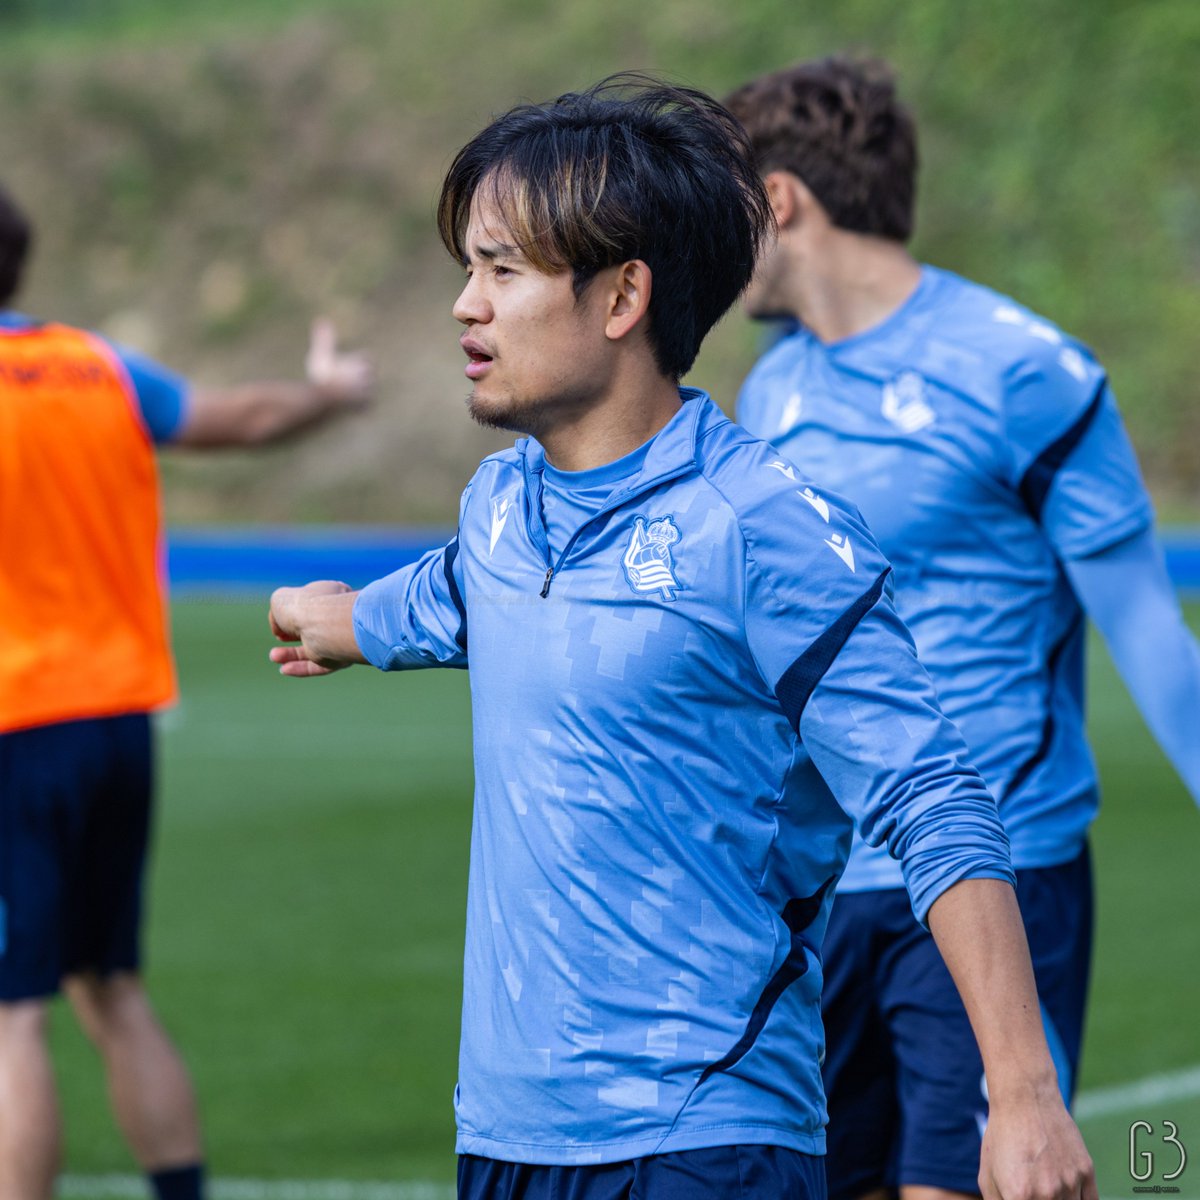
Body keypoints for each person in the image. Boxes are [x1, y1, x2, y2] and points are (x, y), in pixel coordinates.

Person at [267, 78, 1096, 1200]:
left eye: (503, 270)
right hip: (506, 1139)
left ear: (622, 299)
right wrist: (331, 620)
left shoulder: (759, 528)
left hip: (703, 1134)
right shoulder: (502, 508)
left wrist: (1027, 1095)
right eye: (469, 268)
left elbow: (933, 798)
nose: (467, 305)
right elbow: (447, 598)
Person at [724, 56, 1200, 1200]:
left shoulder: (1025, 373)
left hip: (1000, 870)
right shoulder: (769, 394)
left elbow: (1148, 633)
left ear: (780, 201)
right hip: (827, 893)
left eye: (723, 203)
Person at [0, 182, 372, 1200]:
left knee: (11, 1013)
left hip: (13, 723)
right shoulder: (93, 366)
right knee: (111, 988)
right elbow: (241, 417)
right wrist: (332, 395)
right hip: (118, 714)